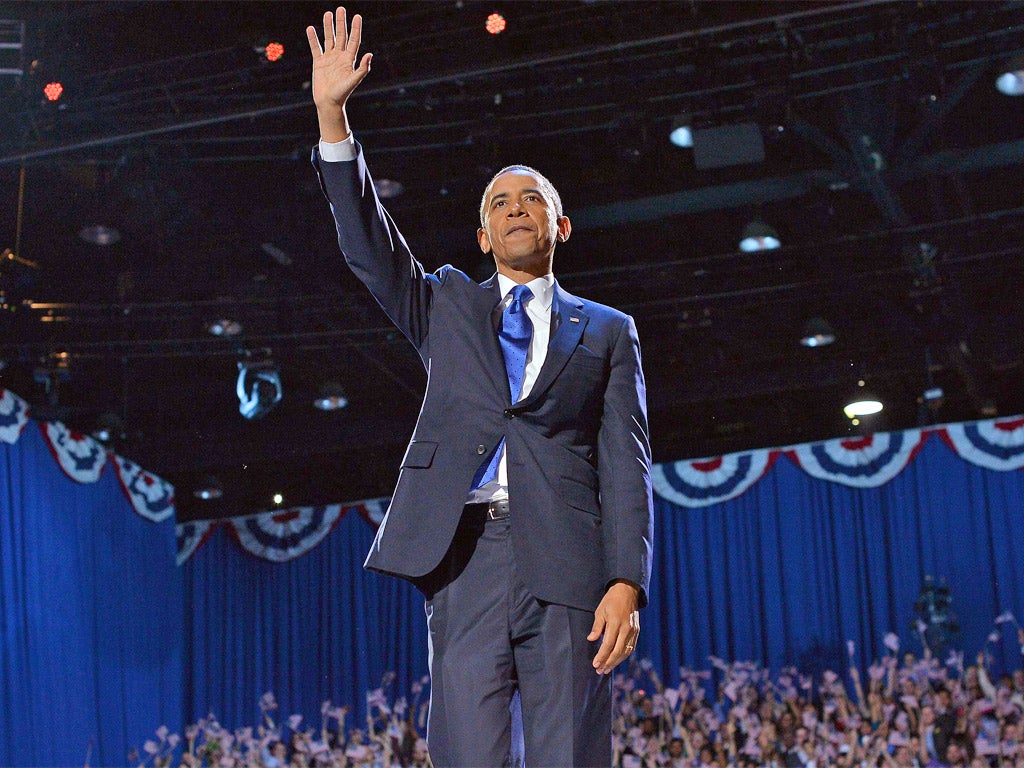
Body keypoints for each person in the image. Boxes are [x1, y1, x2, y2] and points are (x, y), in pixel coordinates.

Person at [305, 8, 654, 767]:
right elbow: (370, 247)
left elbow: (627, 463)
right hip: (463, 558)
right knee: (466, 753)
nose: (516, 209)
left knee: (568, 755)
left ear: (561, 225)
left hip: (569, 565)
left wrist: (626, 579)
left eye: (532, 199)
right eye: (500, 203)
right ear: (482, 237)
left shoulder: (607, 329)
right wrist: (333, 119)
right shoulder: (446, 304)